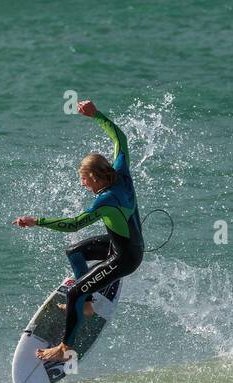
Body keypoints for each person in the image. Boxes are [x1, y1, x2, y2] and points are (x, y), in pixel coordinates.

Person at [14, 100, 144, 363]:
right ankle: (85, 306)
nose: (83, 184)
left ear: (95, 178)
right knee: (74, 252)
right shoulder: (121, 171)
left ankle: (65, 348)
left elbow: (73, 224)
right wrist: (97, 115)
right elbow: (120, 137)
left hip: (125, 258)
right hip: (121, 243)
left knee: (74, 290)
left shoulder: (105, 200)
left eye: (84, 180)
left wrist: (36, 221)